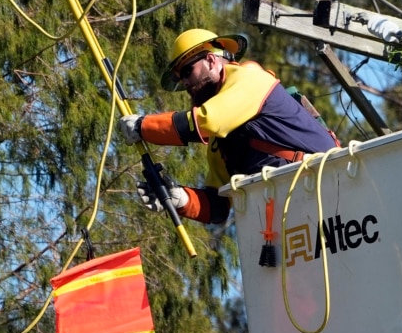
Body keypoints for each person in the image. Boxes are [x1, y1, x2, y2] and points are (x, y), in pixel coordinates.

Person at [118, 28, 339, 224]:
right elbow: (219, 205)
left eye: (187, 71)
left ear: (212, 61)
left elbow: (206, 120)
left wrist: (143, 126)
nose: (185, 83)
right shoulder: (221, 140)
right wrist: (180, 198)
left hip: (332, 185)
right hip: (291, 211)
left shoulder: (250, 78)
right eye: (179, 78)